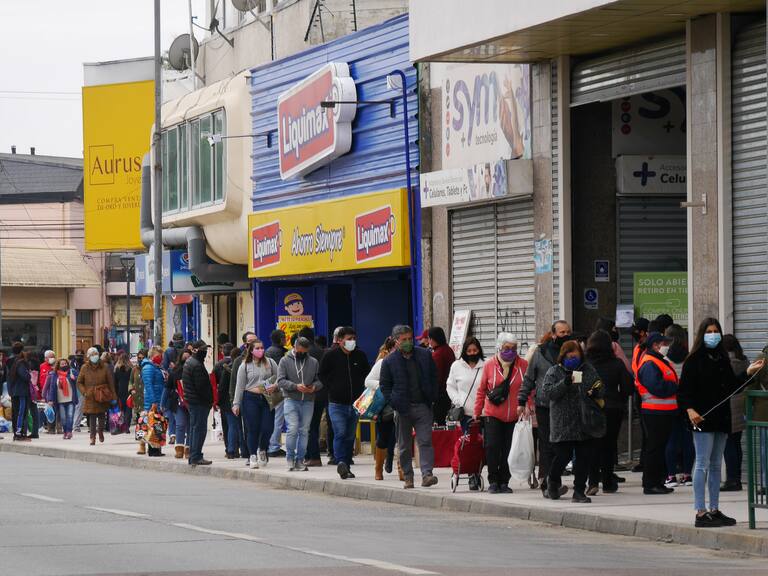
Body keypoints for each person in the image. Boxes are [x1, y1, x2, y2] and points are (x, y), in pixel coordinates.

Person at [678, 318, 763, 528]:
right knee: (702, 464)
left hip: (721, 419)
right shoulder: (694, 360)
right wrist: (690, 410)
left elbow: (732, 387)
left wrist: (748, 373)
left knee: (716, 465)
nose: (713, 334)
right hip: (701, 418)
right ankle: (700, 511)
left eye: (716, 331)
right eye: (709, 331)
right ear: (702, 334)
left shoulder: (722, 358)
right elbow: (683, 391)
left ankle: (714, 509)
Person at [540, 340, 605, 503]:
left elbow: (600, 387)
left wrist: (596, 391)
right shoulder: (554, 371)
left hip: (584, 421)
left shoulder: (588, 369)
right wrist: (565, 383)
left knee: (583, 458)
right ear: (563, 356)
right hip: (562, 423)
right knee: (563, 455)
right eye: (569, 356)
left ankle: (579, 491)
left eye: (575, 355)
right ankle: (552, 482)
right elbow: (548, 393)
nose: (572, 359)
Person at [517, 320, 573, 498]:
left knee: (562, 446)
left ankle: (553, 480)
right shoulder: (540, 353)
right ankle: (547, 482)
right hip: (545, 405)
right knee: (547, 444)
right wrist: (521, 399)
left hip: (566, 406)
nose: (565, 335)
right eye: (562, 332)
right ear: (554, 334)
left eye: (568, 332)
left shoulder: (574, 352)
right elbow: (529, 378)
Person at [380, 324, 439, 489]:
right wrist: (394, 402)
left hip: (423, 406)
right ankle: (408, 477)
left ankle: (427, 474)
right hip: (402, 408)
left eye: (409, 338)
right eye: (403, 339)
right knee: (404, 445)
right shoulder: (389, 361)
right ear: (396, 341)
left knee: (425, 441)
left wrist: (432, 396)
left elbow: (434, 376)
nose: (407, 342)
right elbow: (385, 386)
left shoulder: (424, 355)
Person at [474, 333, 529, 494]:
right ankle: (493, 480)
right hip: (493, 413)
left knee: (509, 449)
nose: (510, 351)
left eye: (514, 348)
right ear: (499, 347)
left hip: (514, 415)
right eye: (507, 348)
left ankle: (504, 481)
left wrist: (527, 405)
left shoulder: (523, 365)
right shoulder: (489, 365)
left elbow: (529, 389)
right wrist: (477, 412)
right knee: (492, 446)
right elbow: (481, 390)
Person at [585, 330, 633, 494]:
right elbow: (628, 387)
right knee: (609, 445)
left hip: (591, 408)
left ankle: (592, 481)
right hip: (613, 407)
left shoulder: (585, 364)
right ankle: (607, 481)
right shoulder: (617, 363)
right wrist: (619, 398)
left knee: (592, 445)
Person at [318, 326, 370, 479]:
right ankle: (340, 461)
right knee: (340, 432)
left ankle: (346, 464)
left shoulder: (360, 356)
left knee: (349, 436)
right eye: (348, 339)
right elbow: (321, 374)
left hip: (355, 404)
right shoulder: (330, 355)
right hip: (336, 403)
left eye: (353, 339)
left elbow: (366, 375)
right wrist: (331, 387)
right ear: (340, 341)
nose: (352, 342)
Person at [636, 331, 679, 495]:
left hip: (663, 412)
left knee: (658, 448)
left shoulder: (658, 361)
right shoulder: (649, 363)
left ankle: (657, 482)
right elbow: (658, 387)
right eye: (665, 344)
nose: (667, 347)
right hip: (655, 413)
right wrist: (675, 386)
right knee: (654, 449)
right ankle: (651, 484)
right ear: (655, 345)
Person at [277, 336, 322, 471]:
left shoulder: (313, 362)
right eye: (300, 351)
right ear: (295, 348)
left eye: (305, 352)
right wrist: (295, 386)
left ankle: (300, 460)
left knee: (304, 431)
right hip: (291, 399)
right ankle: (290, 458)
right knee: (292, 429)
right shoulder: (284, 361)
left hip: (308, 400)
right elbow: (280, 381)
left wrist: (314, 387)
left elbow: (319, 381)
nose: (303, 354)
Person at [233, 339, 279, 469]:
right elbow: (239, 386)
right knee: (252, 428)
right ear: (251, 350)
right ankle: (252, 455)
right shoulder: (245, 365)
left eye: (262, 347)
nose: (260, 350)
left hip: (267, 398)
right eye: (257, 348)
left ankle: (263, 449)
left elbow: (280, 377)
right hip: (250, 398)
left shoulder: (270, 362)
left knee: (268, 427)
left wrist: (275, 385)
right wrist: (236, 403)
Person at [663, 324, 694, 489]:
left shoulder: (664, 359)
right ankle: (688, 474)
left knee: (671, 440)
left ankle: (671, 475)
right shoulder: (689, 358)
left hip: (670, 404)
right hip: (687, 404)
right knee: (688, 440)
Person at [365, 336, 398, 480]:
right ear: (390, 349)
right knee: (384, 437)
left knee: (401, 438)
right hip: (386, 407)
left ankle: (402, 469)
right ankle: (378, 469)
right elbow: (368, 381)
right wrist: (384, 387)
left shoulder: (409, 362)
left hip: (402, 405)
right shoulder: (382, 363)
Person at [721, 334, 750, 492]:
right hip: (741, 406)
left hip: (729, 407)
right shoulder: (744, 360)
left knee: (729, 445)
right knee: (736, 444)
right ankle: (736, 478)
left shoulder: (726, 363)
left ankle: (732, 480)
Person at [76, 347, 117, 446]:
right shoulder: (84, 367)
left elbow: (110, 382)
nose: (95, 356)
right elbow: (79, 382)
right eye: (92, 354)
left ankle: (101, 432)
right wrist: (84, 392)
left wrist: (113, 395)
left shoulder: (105, 366)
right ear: (89, 356)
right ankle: (92, 437)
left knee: (102, 415)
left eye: (96, 354)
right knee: (92, 416)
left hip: (103, 393)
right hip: (90, 395)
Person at [182, 340, 213, 466]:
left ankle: (194, 455)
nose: (205, 352)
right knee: (199, 429)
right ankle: (196, 455)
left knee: (195, 428)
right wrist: (209, 400)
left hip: (193, 401)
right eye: (203, 350)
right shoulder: (196, 365)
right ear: (195, 350)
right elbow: (201, 387)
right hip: (199, 403)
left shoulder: (191, 362)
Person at [446, 337, 486, 433]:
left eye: (475, 350)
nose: (472, 353)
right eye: (469, 351)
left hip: (485, 415)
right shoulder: (456, 366)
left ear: (479, 350)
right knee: (467, 445)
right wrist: (458, 401)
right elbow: (450, 386)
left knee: (485, 445)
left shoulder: (487, 364)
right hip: (465, 415)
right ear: (464, 351)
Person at [303, 326, 330, 467]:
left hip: (308, 394)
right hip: (322, 393)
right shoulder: (323, 352)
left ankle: (313, 456)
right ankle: (309, 455)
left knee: (308, 426)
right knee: (314, 425)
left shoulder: (304, 353)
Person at [230, 332, 258, 461]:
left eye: (255, 340)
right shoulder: (238, 361)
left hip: (261, 398)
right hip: (245, 399)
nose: (254, 343)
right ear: (245, 344)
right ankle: (248, 452)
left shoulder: (264, 359)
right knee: (246, 427)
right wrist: (234, 402)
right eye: (250, 341)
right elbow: (235, 383)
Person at [140, 347, 166, 456]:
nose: (160, 358)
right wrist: (154, 402)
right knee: (153, 425)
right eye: (158, 355)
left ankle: (156, 448)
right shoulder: (148, 368)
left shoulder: (156, 367)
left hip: (158, 399)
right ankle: (153, 449)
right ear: (152, 356)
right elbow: (148, 386)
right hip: (153, 401)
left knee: (157, 425)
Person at [265, 329, 287, 459]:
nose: (285, 339)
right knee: (278, 418)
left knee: (272, 418)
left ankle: (270, 444)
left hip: (268, 387)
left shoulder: (268, 351)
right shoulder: (279, 353)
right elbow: (281, 372)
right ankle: (274, 446)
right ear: (279, 339)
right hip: (277, 388)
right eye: (284, 337)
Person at [44, 357, 78, 439]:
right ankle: (65, 431)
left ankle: (69, 432)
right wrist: (50, 400)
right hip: (60, 400)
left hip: (70, 398)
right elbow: (52, 387)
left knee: (70, 416)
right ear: (58, 365)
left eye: (65, 364)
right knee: (63, 418)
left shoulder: (72, 372)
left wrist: (75, 378)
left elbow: (80, 380)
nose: (64, 365)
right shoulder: (54, 374)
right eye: (62, 364)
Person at [214, 343, 238, 459]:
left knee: (228, 425)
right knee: (237, 425)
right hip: (238, 398)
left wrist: (217, 401)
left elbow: (217, 383)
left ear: (222, 352)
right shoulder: (240, 364)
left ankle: (230, 449)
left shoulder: (219, 365)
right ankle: (239, 448)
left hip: (225, 400)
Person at [428, 327, 455, 426]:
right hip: (448, 392)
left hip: (440, 395)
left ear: (433, 339)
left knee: (439, 423)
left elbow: (436, 377)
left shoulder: (437, 354)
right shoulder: (448, 350)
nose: (429, 342)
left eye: (429, 338)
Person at [169, 349, 191, 459]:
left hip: (192, 401)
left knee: (191, 425)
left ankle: (189, 448)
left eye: (188, 357)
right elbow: (167, 388)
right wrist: (163, 403)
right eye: (184, 358)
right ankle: (179, 448)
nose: (186, 360)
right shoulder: (175, 371)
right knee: (180, 424)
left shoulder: (194, 369)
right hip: (178, 402)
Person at [8, 345, 32, 441]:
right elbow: (25, 376)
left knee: (16, 412)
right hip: (21, 392)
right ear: (22, 351)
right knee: (21, 412)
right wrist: (29, 374)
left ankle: (17, 433)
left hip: (15, 391)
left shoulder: (12, 362)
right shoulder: (21, 363)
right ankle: (20, 434)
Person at [113, 353, 132, 433]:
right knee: (128, 409)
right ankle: (127, 426)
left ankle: (119, 426)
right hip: (128, 391)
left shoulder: (116, 369)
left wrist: (115, 392)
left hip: (120, 391)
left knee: (120, 409)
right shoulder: (130, 369)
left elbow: (115, 382)